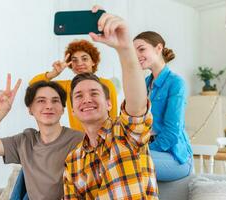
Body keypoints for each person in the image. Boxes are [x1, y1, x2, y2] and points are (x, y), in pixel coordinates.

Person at [63, 8, 158, 199]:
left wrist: (125, 47)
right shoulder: (73, 160)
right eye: (79, 96)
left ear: (108, 104)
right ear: (72, 109)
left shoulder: (125, 132)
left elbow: (137, 105)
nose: (87, 99)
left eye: (94, 93)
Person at [0, 75, 83, 200]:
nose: (49, 106)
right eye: (41, 101)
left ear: (62, 109)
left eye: (55, 101)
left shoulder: (79, 140)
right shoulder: (25, 141)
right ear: (30, 109)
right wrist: (1, 111)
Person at [133, 31, 193, 181]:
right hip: (152, 151)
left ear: (158, 48)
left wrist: (145, 150)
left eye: (141, 49)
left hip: (175, 156)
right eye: (134, 51)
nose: (136, 55)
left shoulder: (176, 83)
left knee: (128, 162)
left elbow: (172, 132)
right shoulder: (145, 83)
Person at [29, 39, 117, 132]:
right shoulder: (67, 86)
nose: (79, 63)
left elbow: (113, 116)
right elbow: (33, 84)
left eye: (84, 59)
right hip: (79, 141)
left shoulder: (106, 84)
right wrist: (54, 73)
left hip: (105, 138)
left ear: (93, 62)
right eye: (74, 60)